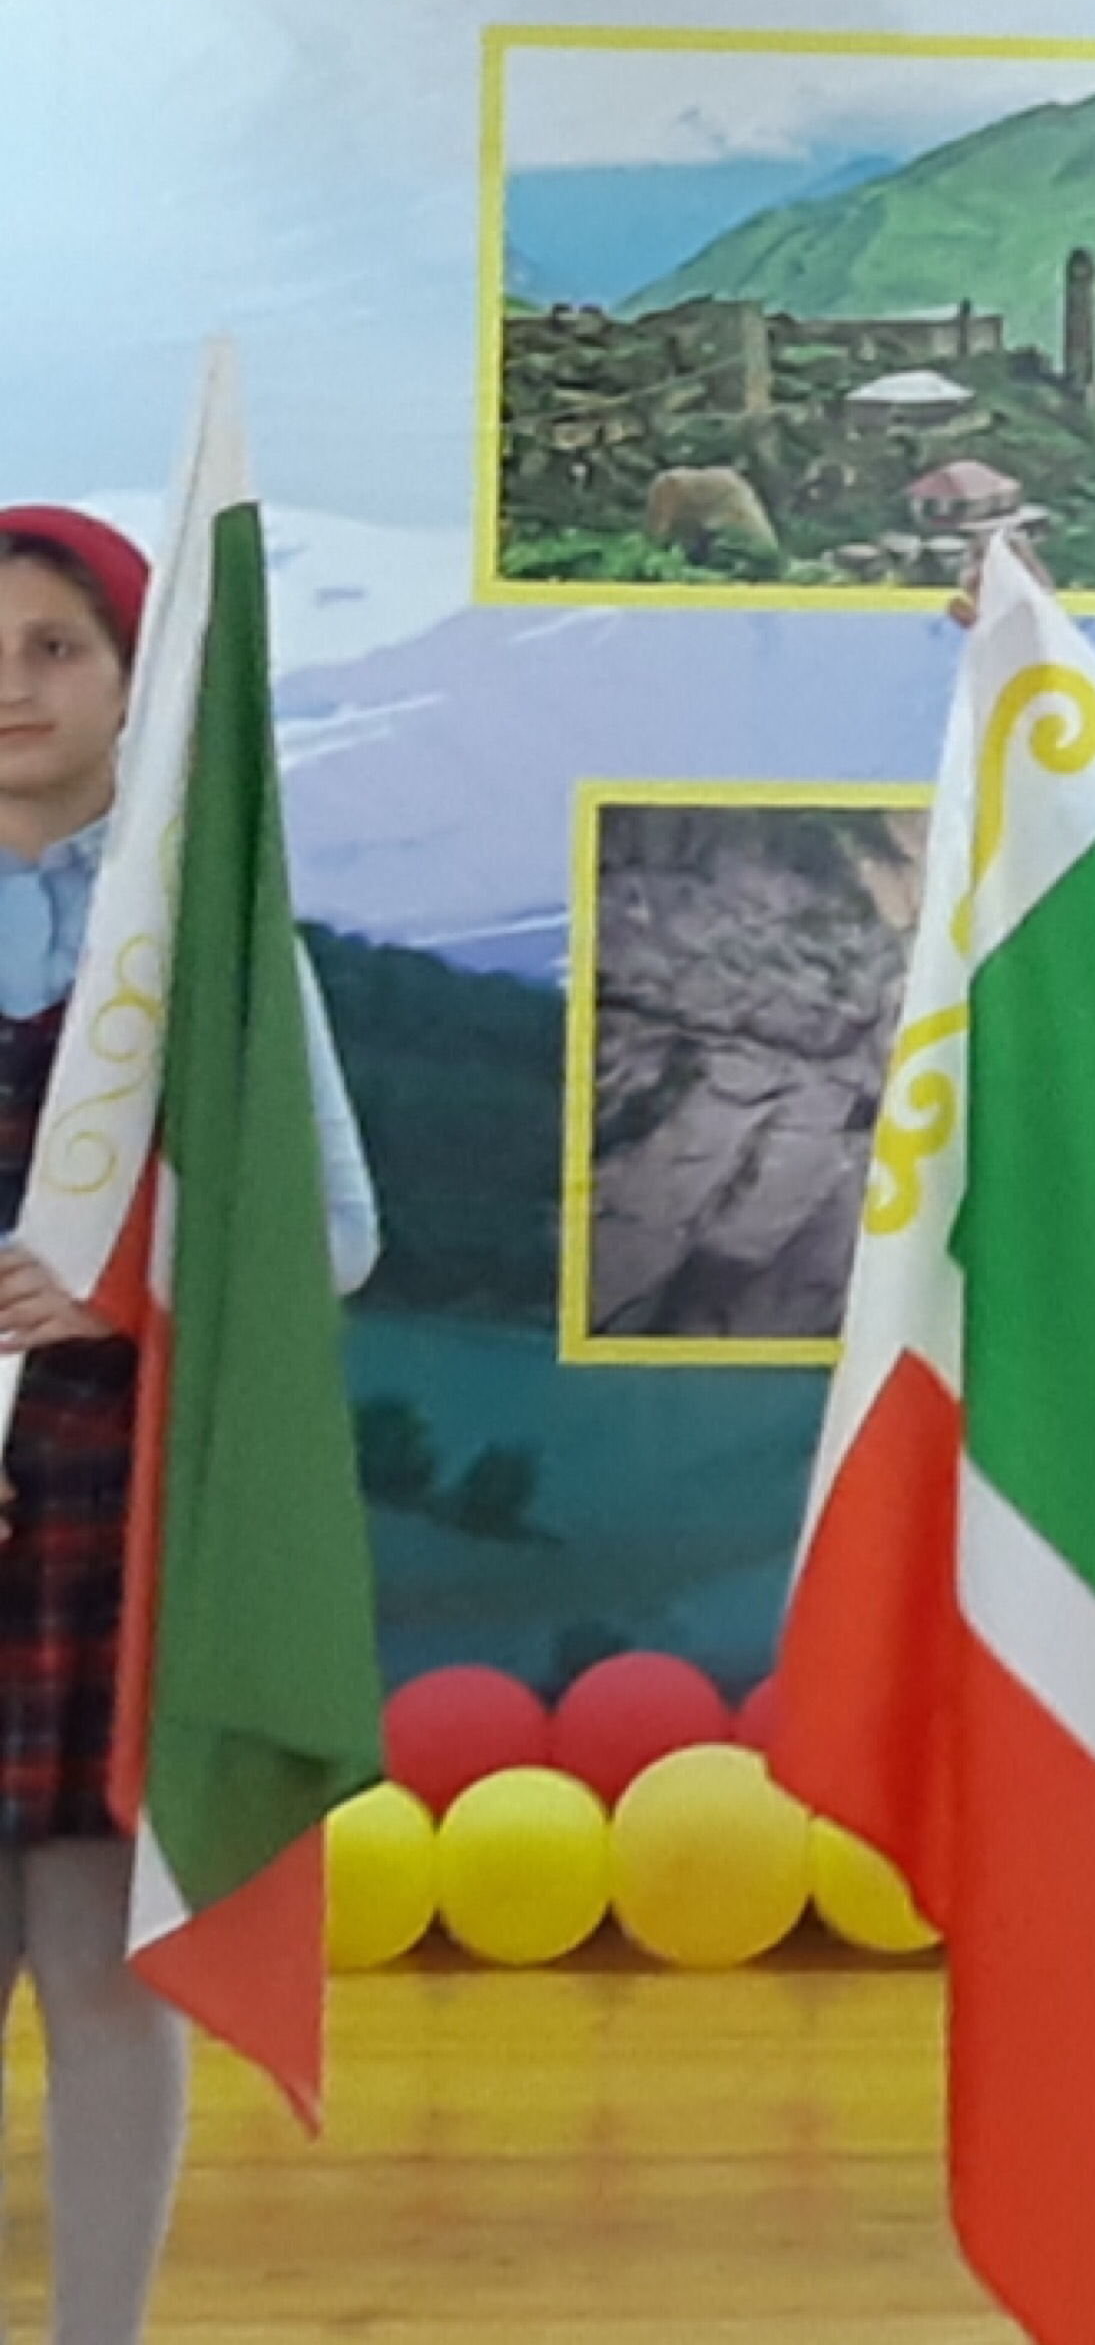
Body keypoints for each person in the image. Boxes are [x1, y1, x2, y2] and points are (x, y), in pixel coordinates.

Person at [0, 506, 377, 2345]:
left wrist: (129, 1282)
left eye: (54, 648)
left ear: (134, 679)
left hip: (103, 1507)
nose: (13, 687)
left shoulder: (209, 939)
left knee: (101, 1966)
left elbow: (334, 1233)